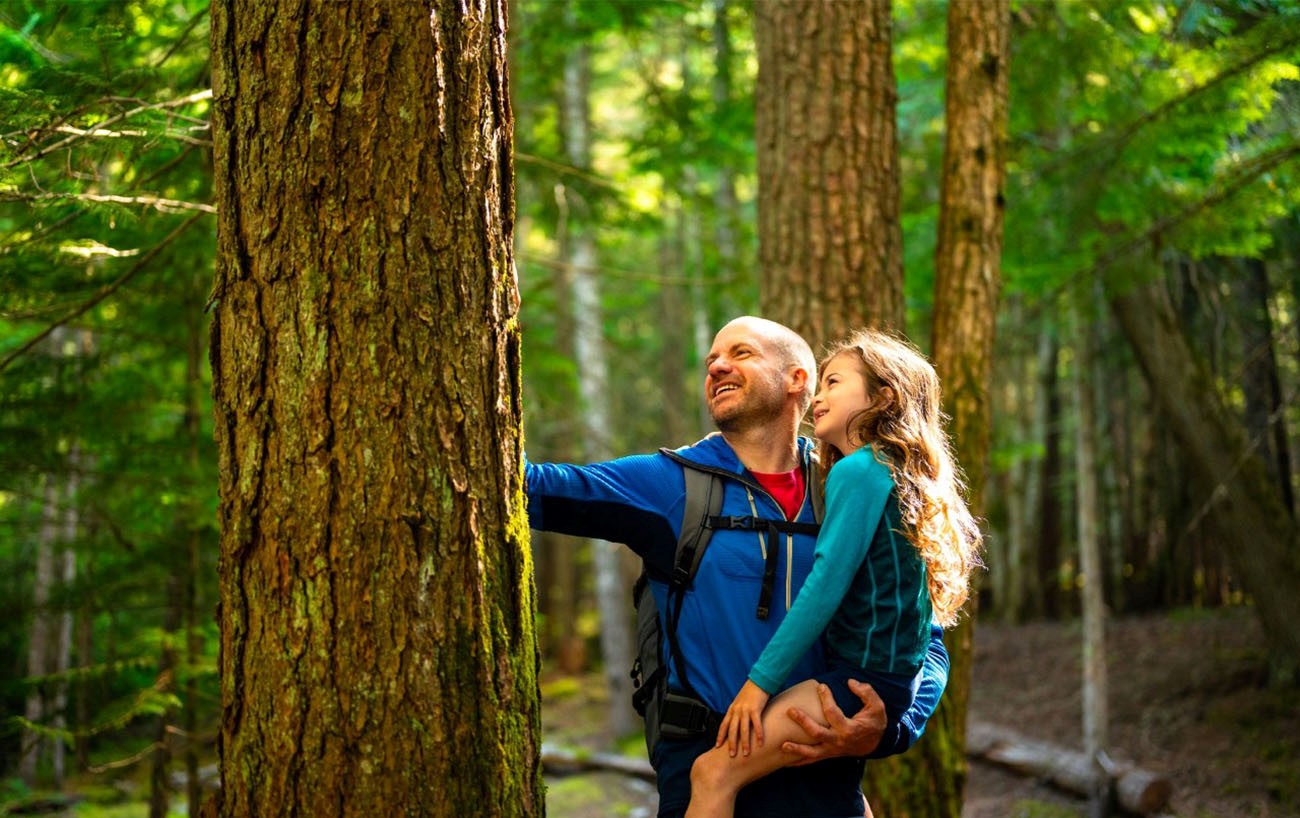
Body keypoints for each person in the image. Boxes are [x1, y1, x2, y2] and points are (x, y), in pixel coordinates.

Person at [525, 317, 951, 818]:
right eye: (711, 361)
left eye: (741, 353)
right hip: (706, 767)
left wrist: (893, 726)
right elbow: (531, 485)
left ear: (798, 380)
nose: (718, 366)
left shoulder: (849, 483)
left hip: (823, 770)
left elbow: (927, 633)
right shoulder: (672, 486)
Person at [684, 328, 982, 818]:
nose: (819, 399)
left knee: (713, 773)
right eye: (819, 386)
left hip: (859, 682)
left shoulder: (859, 471)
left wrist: (756, 686)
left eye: (834, 383)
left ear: (883, 396)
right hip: (883, 683)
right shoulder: (896, 473)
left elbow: (824, 585)